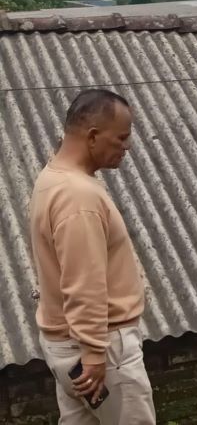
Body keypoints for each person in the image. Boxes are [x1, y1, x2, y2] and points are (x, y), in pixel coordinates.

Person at [29, 89, 155, 424]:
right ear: (93, 136)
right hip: (101, 351)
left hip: (68, 346)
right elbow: (84, 283)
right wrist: (95, 353)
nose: (127, 147)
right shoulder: (77, 196)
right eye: (122, 138)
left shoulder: (52, 179)